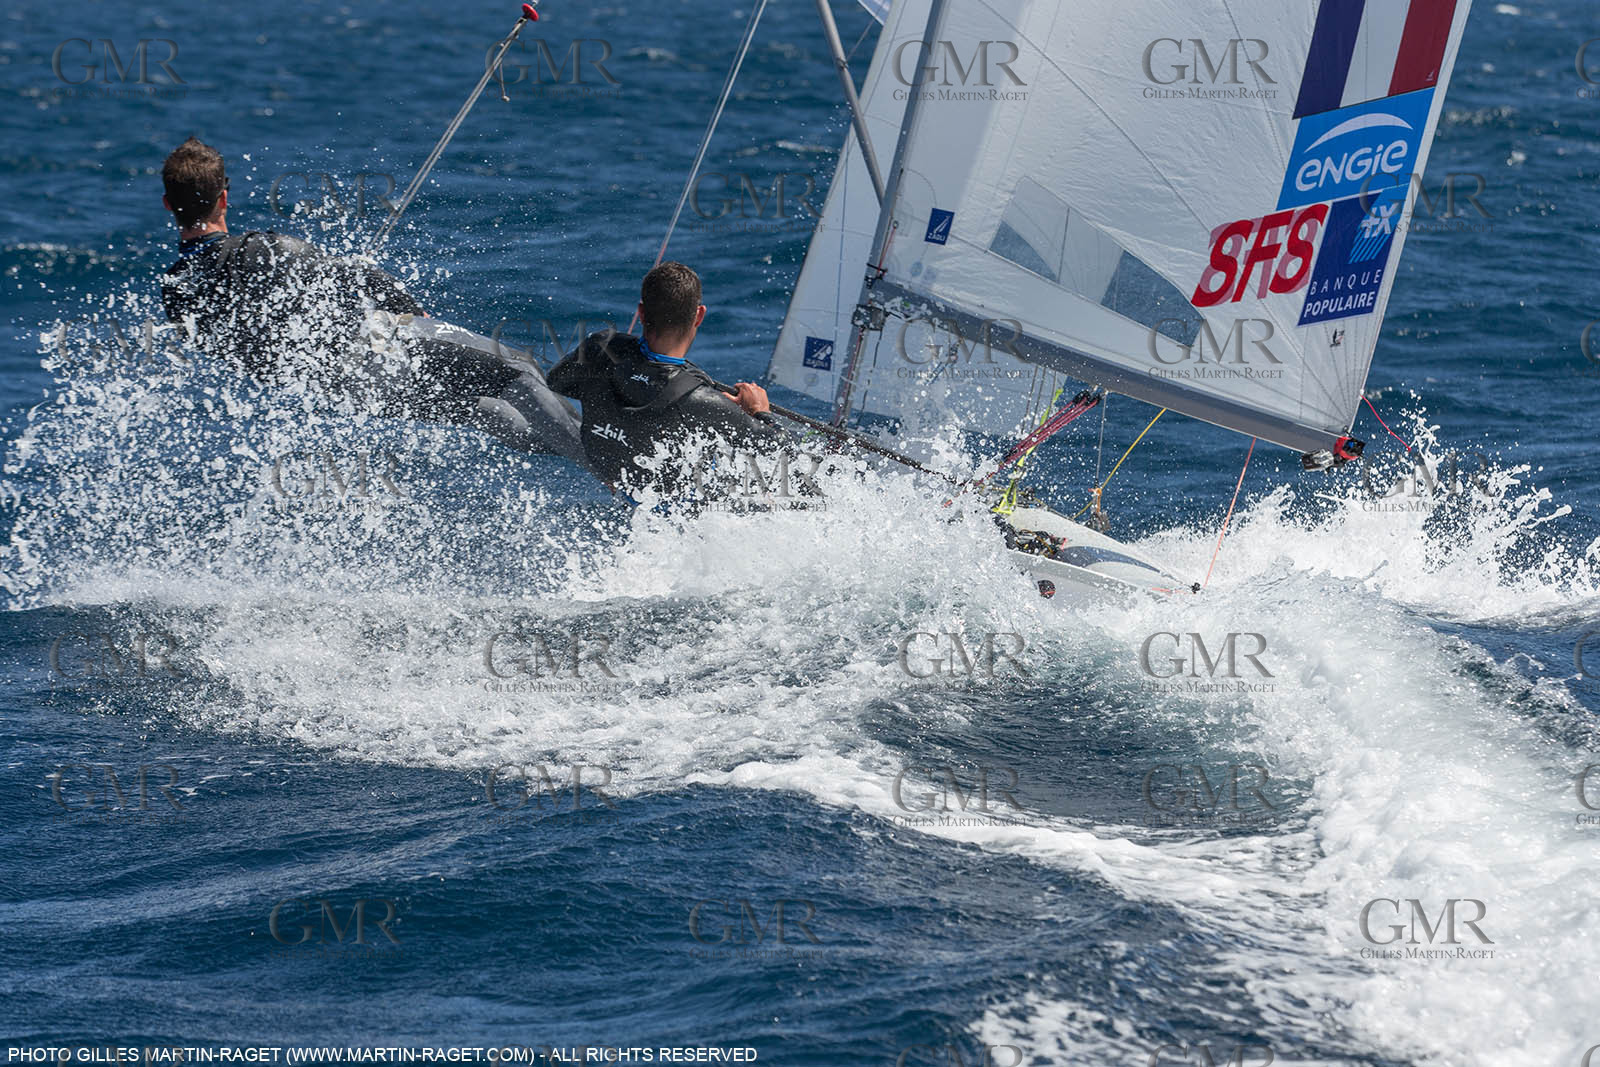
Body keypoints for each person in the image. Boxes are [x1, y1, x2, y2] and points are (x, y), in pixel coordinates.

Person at [158, 136, 584, 463]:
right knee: (516, 366)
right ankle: (606, 467)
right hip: (375, 350)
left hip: (339, 389)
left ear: (168, 205)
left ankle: (601, 455)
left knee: (485, 410)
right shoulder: (260, 249)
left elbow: (236, 353)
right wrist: (407, 309)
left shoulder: (176, 289)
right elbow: (355, 274)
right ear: (224, 197)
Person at [547, 262, 792, 503]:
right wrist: (759, 412)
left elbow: (557, 382)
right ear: (699, 315)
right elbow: (780, 451)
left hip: (613, 471)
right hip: (673, 510)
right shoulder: (700, 400)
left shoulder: (600, 347)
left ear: (641, 313)